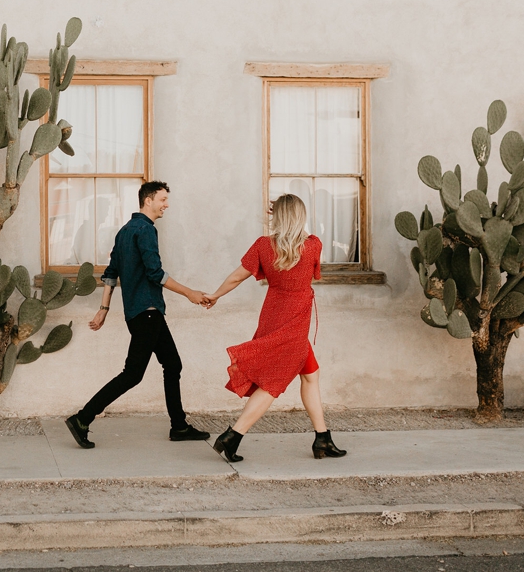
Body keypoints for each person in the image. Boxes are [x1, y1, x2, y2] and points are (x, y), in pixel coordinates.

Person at [65, 181, 213, 448]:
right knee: (133, 374)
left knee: (172, 364)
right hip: (147, 312)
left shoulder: (124, 232)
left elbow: (111, 274)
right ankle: (82, 418)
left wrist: (104, 310)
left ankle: (178, 426)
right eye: (163, 199)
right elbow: (155, 273)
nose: (166, 204)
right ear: (148, 200)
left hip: (141, 313)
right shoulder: (145, 230)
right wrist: (190, 292)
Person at [201, 194, 347, 463]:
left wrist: (215, 295)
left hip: (274, 315)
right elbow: (311, 273)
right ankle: (232, 436)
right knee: (273, 382)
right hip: (296, 320)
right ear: (300, 216)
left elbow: (236, 277)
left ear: (277, 217)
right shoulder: (313, 245)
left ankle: (322, 437)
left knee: (311, 375)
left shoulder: (263, 246)